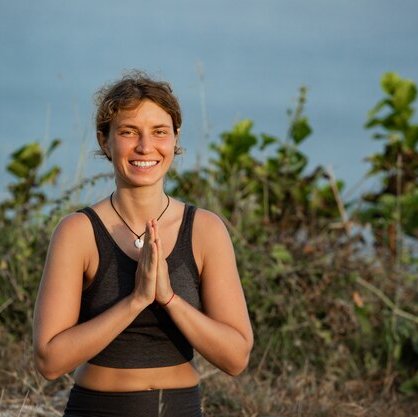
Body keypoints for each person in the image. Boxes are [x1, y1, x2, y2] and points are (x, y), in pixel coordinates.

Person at [32, 70, 253, 417]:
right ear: (105, 141)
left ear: (175, 138)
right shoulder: (77, 232)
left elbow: (236, 358)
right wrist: (135, 301)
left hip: (180, 409)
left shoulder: (205, 230)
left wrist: (168, 298)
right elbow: (49, 361)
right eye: (128, 132)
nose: (145, 147)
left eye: (159, 132)